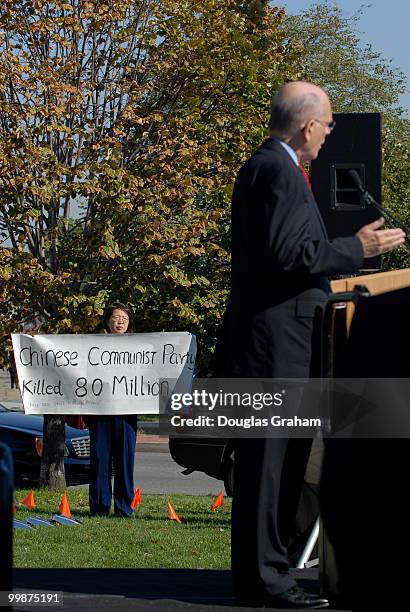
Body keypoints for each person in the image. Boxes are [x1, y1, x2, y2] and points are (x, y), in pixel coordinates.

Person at [215, 81, 405, 608]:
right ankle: (263, 580)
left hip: (287, 341)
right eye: (326, 126)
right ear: (306, 126)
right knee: (268, 466)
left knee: (282, 465)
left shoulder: (273, 168)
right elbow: (288, 256)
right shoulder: (275, 170)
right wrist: (357, 248)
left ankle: (269, 573)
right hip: (275, 345)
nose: (328, 136)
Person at [88, 303, 139, 516]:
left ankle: (123, 508)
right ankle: (99, 507)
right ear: (107, 321)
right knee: (100, 460)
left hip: (126, 414)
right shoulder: (93, 346)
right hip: (100, 412)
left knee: (124, 462)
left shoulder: (139, 347)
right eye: (116, 318)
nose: (120, 322)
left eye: (124, 319)